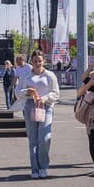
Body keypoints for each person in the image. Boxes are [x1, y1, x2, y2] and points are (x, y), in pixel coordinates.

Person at [15, 50, 59, 179]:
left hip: (45, 106)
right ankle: (35, 168)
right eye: (35, 61)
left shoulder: (50, 75)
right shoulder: (26, 76)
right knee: (33, 139)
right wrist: (27, 91)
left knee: (44, 138)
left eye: (40, 61)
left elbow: (56, 93)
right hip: (30, 106)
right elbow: (17, 93)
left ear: (43, 61)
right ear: (31, 62)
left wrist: (45, 98)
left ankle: (43, 166)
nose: (38, 63)